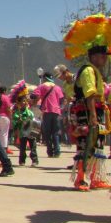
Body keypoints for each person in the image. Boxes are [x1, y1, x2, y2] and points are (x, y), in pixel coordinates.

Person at [63, 14, 111, 191]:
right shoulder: (88, 71)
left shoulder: (95, 71)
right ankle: (81, 179)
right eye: (102, 56)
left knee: (97, 144)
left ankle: (96, 178)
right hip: (87, 111)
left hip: (95, 111)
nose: (105, 59)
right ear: (93, 56)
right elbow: (90, 94)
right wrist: (92, 114)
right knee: (86, 143)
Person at [31, 71, 64, 158]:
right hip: (56, 111)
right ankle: (57, 151)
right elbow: (61, 100)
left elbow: (34, 95)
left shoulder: (42, 86)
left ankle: (50, 151)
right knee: (56, 132)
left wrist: (34, 102)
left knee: (47, 133)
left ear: (45, 78)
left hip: (46, 111)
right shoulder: (58, 87)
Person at [9, 81, 37, 166]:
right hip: (22, 133)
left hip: (31, 132)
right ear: (18, 103)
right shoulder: (17, 112)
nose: (25, 102)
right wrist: (18, 120)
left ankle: (35, 160)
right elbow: (14, 121)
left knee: (33, 147)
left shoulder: (29, 112)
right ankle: (22, 161)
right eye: (23, 101)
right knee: (22, 148)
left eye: (26, 101)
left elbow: (32, 118)